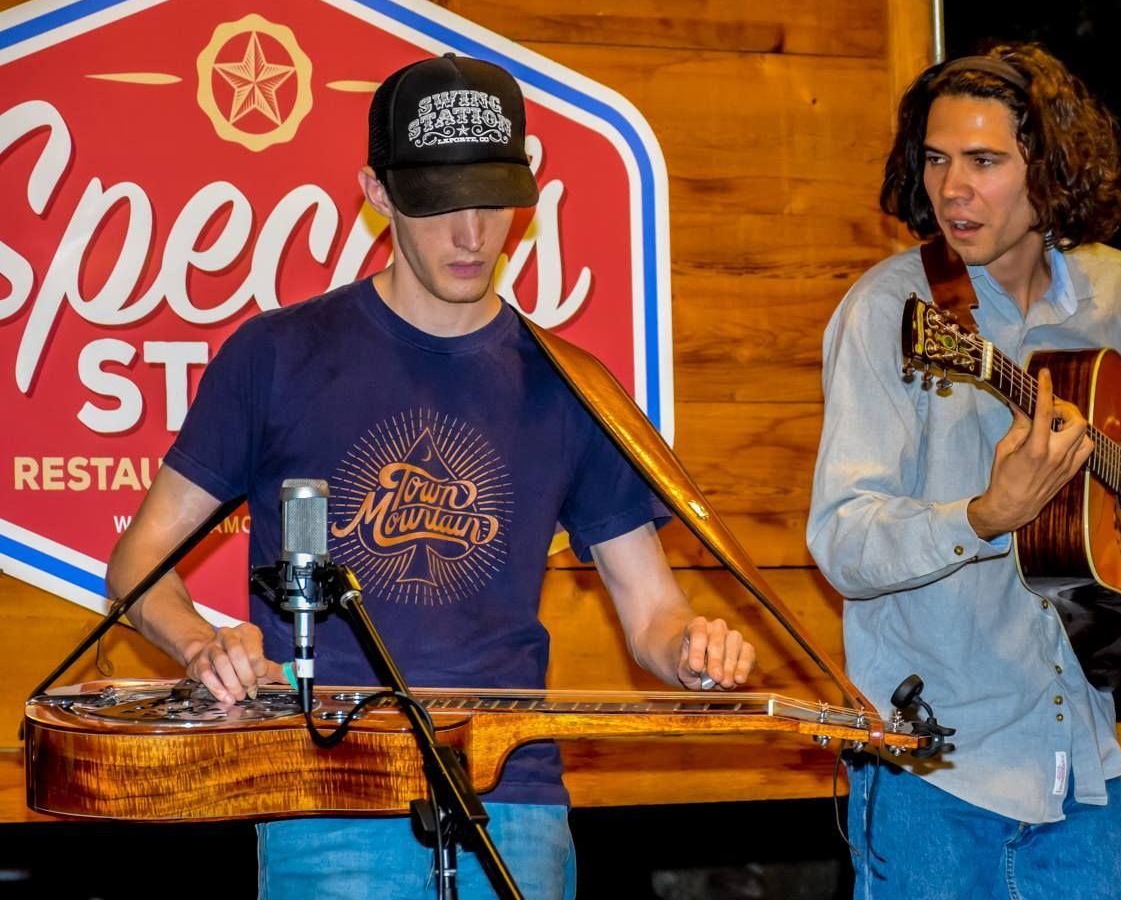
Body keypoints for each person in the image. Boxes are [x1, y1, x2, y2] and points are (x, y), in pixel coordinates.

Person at [106, 53, 756, 900]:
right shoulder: (276, 355)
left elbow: (652, 614)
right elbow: (138, 563)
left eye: (492, 201)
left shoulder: (572, 384)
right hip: (324, 795)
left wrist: (694, 651)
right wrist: (202, 645)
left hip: (509, 798)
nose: (472, 235)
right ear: (377, 194)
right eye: (440, 204)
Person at [806, 42, 1121, 898]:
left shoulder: (1117, 296)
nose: (953, 188)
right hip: (933, 774)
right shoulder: (893, 312)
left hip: (1082, 773)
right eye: (936, 160)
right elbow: (842, 540)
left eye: (984, 161)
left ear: (1052, 174)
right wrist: (985, 516)